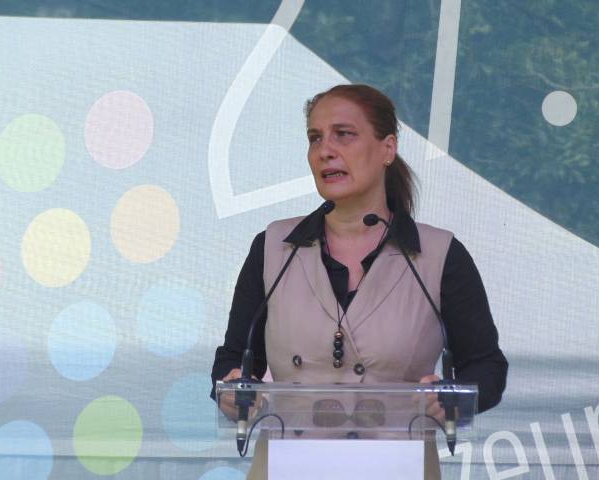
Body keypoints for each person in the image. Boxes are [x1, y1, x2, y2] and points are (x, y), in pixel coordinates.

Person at [211, 84, 508, 479]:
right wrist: (232, 389)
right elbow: (233, 359)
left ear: (388, 148)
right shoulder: (273, 248)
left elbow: (486, 366)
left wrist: (453, 399)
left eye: (343, 134)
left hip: (399, 468)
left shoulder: (439, 254)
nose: (325, 150)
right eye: (315, 138)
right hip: (288, 468)